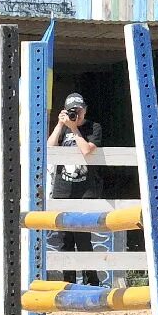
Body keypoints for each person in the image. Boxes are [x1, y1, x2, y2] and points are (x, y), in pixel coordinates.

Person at [48, 93, 103, 286]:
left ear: (85, 110)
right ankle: (68, 282)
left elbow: (87, 150)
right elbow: (49, 148)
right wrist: (61, 125)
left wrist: (75, 129)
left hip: (85, 191)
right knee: (64, 241)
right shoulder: (63, 129)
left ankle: (92, 281)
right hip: (63, 190)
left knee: (84, 239)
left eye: (79, 111)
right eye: (72, 111)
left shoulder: (93, 127)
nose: (76, 115)